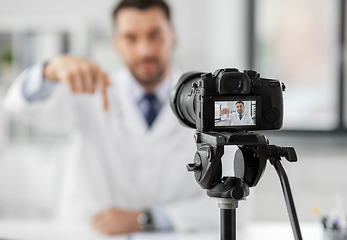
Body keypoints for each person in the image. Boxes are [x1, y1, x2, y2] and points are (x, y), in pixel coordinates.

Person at [3, 0, 225, 235]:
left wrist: (149, 218)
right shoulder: (89, 95)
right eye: (131, 38)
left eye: (155, 35)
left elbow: (234, 197)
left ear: (173, 35)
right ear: (116, 43)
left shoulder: (208, 102)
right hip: (89, 233)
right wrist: (50, 70)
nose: (145, 50)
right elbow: (19, 105)